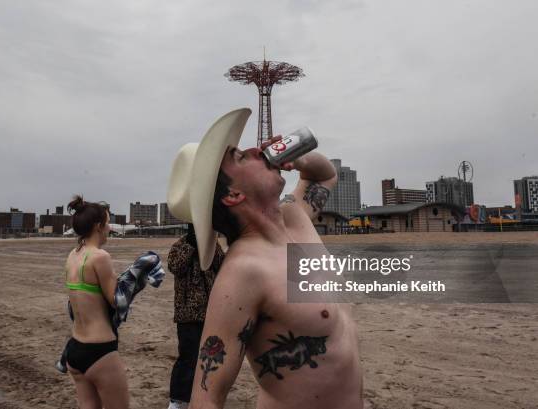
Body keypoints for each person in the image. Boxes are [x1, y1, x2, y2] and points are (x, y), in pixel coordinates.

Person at [167, 109, 363, 409]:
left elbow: (325, 175)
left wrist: (297, 158)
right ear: (233, 195)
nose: (255, 150)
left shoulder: (294, 216)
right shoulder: (243, 272)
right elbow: (206, 397)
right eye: (240, 157)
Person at [62, 196, 129, 409]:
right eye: (108, 223)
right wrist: (136, 277)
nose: (109, 228)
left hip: (75, 349)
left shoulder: (73, 255)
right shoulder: (100, 257)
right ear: (99, 227)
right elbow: (117, 301)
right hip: (100, 350)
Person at [167, 224, 225, 409]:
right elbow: (175, 267)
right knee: (188, 359)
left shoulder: (213, 246)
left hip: (211, 313)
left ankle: (204, 395)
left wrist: (210, 245)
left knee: (209, 357)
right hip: (188, 315)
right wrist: (191, 244)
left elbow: (222, 266)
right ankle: (178, 401)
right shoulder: (180, 245)